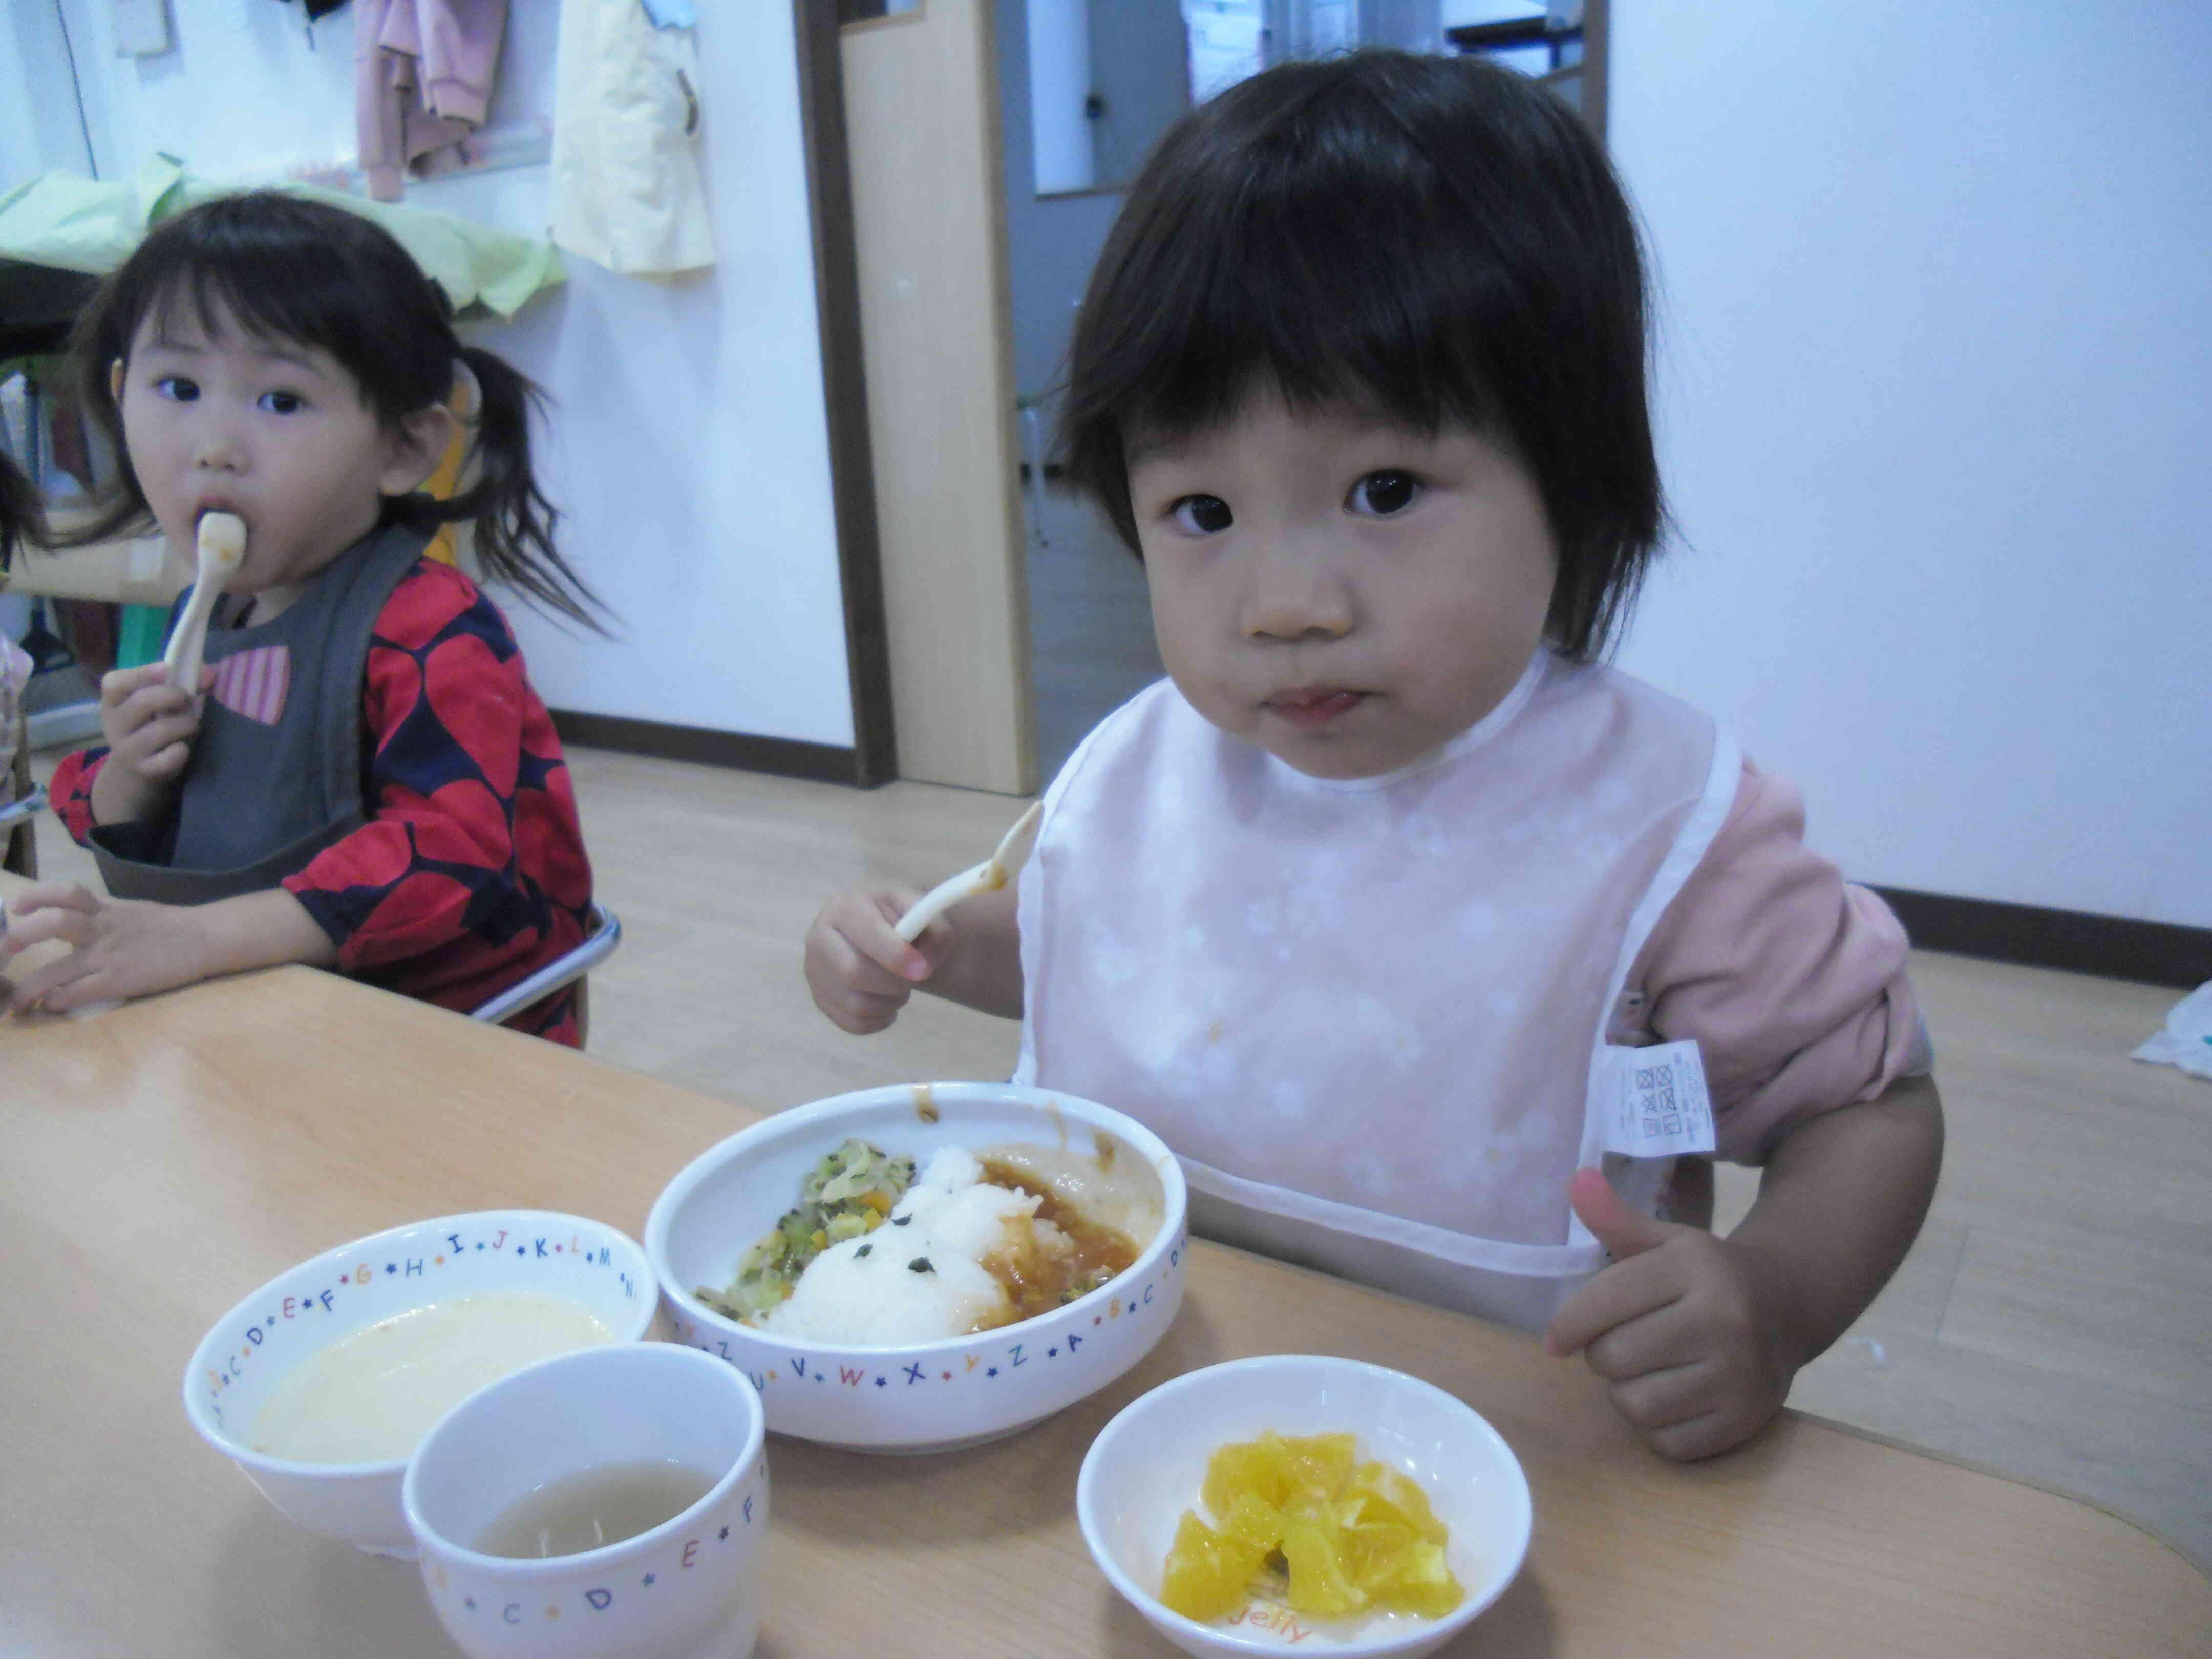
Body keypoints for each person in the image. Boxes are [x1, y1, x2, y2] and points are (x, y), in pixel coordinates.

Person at [803, 52, 1943, 1460]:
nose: (1287, 605)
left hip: (1522, 1451)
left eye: (1383, 491)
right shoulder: (1149, 771)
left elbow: (1870, 1112)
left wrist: (1771, 1301)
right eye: (1202, 510)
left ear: (1572, 483)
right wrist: (927, 950)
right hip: (1145, 1398)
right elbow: (1095, 950)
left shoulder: (1667, 832)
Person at [0, 193, 601, 1044]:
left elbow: (450, 852)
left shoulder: (432, 629)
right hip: (266, 1012)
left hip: (451, 1036)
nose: (214, 444)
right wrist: (134, 774)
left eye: (279, 401)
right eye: (177, 388)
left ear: (403, 449)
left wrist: (201, 937)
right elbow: (197, 814)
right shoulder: (208, 615)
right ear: (119, 394)